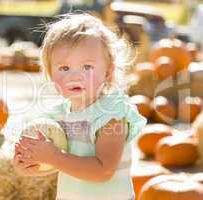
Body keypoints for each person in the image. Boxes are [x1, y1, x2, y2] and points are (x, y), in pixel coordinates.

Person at [14, 13, 147, 200]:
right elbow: (63, 163)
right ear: (51, 74)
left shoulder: (111, 113)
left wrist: (53, 157)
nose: (75, 76)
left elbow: (104, 170)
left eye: (87, 67)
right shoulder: (60, 115)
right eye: (64, 68)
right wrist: (33, 164)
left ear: (107, 72)